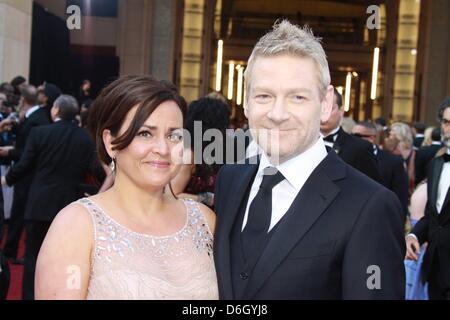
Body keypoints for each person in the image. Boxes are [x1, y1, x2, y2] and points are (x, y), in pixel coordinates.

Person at [213, 20, 405, 300]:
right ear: (246, 101)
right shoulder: (230, 180)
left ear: (326, 104)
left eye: (297, 97)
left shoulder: (370, 206)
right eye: (264, 95)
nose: (278, 113)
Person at [34, 76, 218, 299]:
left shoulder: (205, 222)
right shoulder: (76, 226)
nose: (163, 148)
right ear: (111, 143)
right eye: (145, 133)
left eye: (174, 135)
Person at [1, 95, 97, 299]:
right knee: (64, 259)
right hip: (69, 209)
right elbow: (95, 169)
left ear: (55, 111)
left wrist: (6, 179)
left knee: (33, 257)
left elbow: (25, 165)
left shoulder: (40, 133)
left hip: (38, 205)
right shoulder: (85, 138)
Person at [406, 97, 450, 300]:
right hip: (435, 268)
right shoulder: (436, 164)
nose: (449, 129)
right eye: (447, 122)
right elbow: (434, 217)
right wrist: (415, 235)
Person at [321, 89, 382, 184]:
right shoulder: (300, 145)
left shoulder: (360, 148)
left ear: (341, 111)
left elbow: (372, 188)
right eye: (320, 108)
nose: (323, 114)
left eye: (330, 109)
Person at [352, 121, 409, 220]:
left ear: (371, 138)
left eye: (357, 135)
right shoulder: (345, 156)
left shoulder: (393, 162)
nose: (351, 139)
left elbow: (400, 199)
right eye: (350, 135)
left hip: (379, 219)